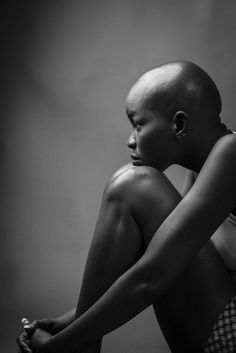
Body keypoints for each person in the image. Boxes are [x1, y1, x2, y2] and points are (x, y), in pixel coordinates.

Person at [17, 61, 236, 353]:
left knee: (134, 185)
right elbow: (156, 259)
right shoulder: (203, 171)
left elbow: (154, 274)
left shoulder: (232, 154)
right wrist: (71, 321)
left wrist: (59, 347)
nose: (130, 140)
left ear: (178, 125)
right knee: (136, 187)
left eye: (139, 124)